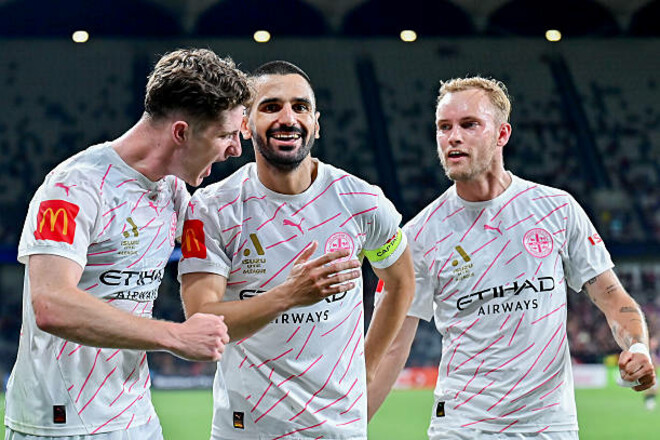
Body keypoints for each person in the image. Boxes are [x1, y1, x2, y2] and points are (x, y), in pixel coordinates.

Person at [368, 76, 657, 439]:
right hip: (463, 427)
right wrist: (348, 429)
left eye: (469, 124)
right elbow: (390, 347)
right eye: (444, 127)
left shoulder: (556, 209)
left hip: (550, 427)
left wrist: (638, 347)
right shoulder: (419, 236)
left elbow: (613, 299)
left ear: (502, 134)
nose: (453, 137)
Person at [4, 48, 252, 439]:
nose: (236, 148)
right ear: (181, 133)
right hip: (61, 423)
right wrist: (174, 336)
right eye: (225, 134)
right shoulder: (74, 186)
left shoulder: (171, 190)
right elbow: (51, 304)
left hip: (136, 416)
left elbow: (226, 249)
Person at [178, 60, 415, 439]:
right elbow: (202, 319)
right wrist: (289, 295)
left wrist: (367, 367)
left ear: (316, 124)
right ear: (245, 124)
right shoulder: (213, 209)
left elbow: (401, 281)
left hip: (338, 429)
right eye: (271, 107)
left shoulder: (361, 201)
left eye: (300, 107)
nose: (287, 118)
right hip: (245, 429)